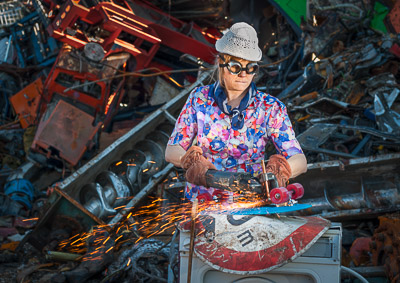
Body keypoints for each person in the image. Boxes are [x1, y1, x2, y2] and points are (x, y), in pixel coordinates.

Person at [165, 22, 307, 202]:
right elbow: (171, 151)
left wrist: (279, 171)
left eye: (251, 68)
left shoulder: (270, 108)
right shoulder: (199, 99)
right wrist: (189, 161)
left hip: (251, 204)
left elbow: (300, 161)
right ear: (221, 63)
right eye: (236, 66)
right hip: (202, 204)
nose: (243, 75)